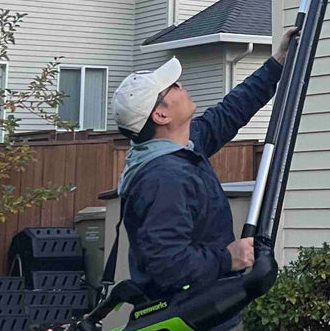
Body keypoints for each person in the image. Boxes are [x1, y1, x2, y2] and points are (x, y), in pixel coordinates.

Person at [111, 29, 295, 327]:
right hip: (191, 316)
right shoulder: (164, 178)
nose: (181, 85)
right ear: (160, 116)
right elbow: (168, 265)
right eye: (172, 88)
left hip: (206, 308)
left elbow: (230, 112)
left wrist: (277, 63)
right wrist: (228, 259)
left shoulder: (182, 146)